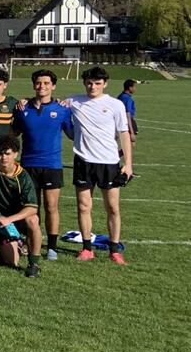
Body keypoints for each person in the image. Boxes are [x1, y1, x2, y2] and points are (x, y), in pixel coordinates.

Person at [66, 66, 132, 265]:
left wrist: (128, 164)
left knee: (112, 207)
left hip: (109, 163)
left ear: (105, 84)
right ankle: (87, 248)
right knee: (84, 206)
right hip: (83, 161)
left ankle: (114, 250)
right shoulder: (73, 101)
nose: (92, 86)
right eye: (89, 82)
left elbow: (124, 134)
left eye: (97, 83)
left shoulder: (116, 104)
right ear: (84, 83)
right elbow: (51, 103)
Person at [13, 69, 74, 261]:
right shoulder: (23, 108)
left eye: (46, 83)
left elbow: (73, 134)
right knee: (31, 207)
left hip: (51, 165)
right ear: (33, 85)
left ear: (53, 86)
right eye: (39, 83)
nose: (42, 86)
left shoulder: (63, 109)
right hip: (28, 165)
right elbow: (14, 133)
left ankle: (52, 248)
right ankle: (31, 242)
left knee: (51, 206)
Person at [0, 134, 44, 277]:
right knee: (11, 263)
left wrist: (10, 219)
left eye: (7, 154)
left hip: (15, 221)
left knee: (33, 219)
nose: (3, 157)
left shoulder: (23, 177)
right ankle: (16, 245)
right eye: (0, 153)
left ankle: (33, 263)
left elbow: (32, 208)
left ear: (16, 154)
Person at [118, 79, 138, 165]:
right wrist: (132, 132)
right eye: (134, 87)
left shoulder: (121, 96)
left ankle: (112, 160)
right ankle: (127, 167)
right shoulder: (127, 99)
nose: (135, 89)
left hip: (122, 122)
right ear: (130, 88)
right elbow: (127, 114)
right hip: (127, 122)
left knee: (128, 146)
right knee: (129, 146)